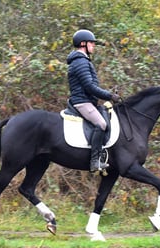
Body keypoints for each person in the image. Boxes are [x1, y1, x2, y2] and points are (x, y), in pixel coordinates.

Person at [66, 29, 121, 172]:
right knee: (101, 124)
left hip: (87, 100)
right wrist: (109, 96)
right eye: (91, 43)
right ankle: (94, 161)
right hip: (82, 102)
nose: (93, 45)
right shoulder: (80, 62)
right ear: (83, 44)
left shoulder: (82, 61)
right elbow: (90, 87)